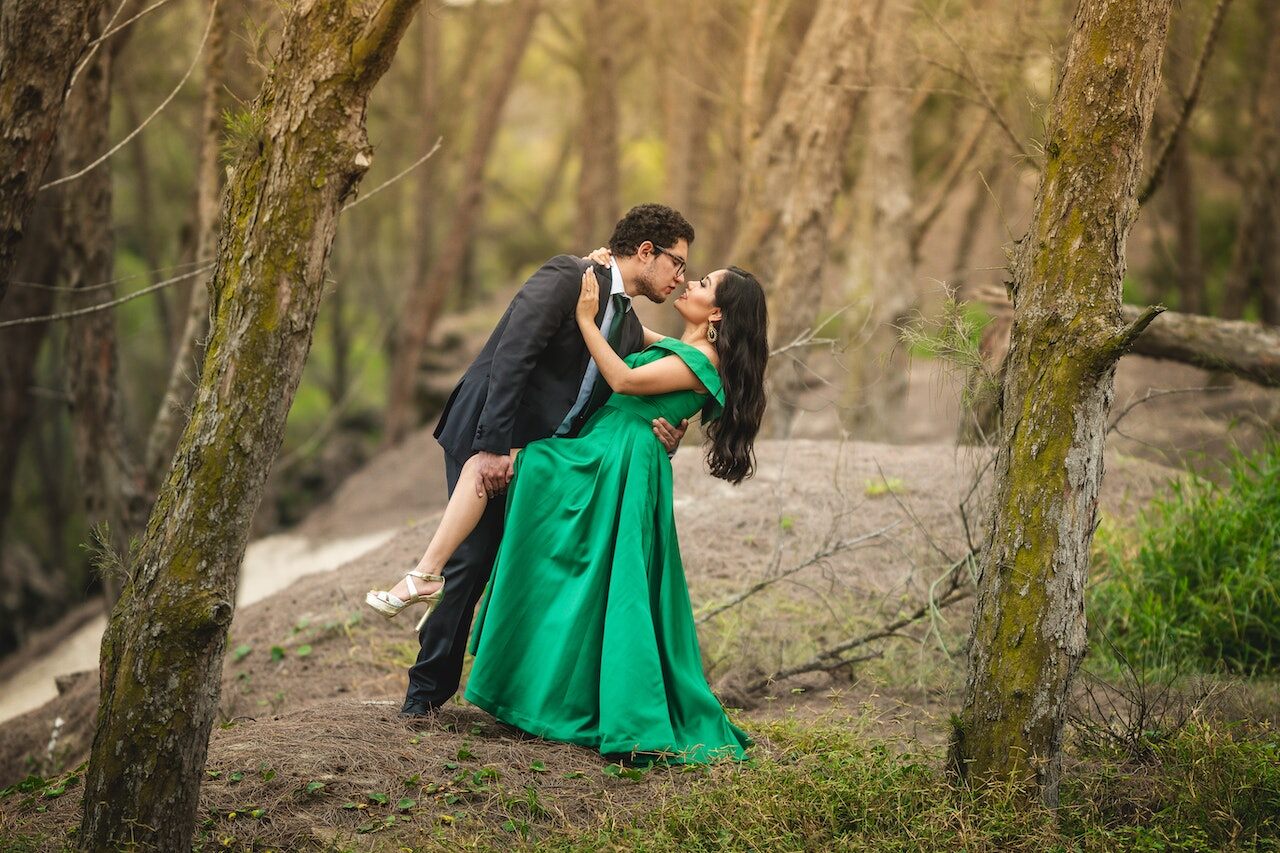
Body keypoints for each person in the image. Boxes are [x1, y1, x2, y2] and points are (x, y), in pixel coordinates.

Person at [369, 258, 770, 762]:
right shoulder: (680, 347)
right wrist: (600, 269)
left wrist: (584, 319)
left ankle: (425, 576)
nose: (690, 281)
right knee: (581, 583)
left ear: (718, 315)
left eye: (704, 282)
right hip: (609, 454)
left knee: (487, 472)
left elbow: (623, 381)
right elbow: (624, 319)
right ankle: (439, 592)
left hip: (610, 461)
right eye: (684, 268)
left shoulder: (702, 362)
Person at [379, 204, 695, 719]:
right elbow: (512, 358)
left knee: (525, 563)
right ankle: (423, 700)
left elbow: (659, 375)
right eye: (677, 264)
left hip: (543, 461)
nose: (680, 279)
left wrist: (672, 425)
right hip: (490, 436)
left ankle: (524, 697)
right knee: (473, 559)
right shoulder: (567, 276)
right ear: (645, 252)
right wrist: (493, 447)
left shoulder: (622, 319)